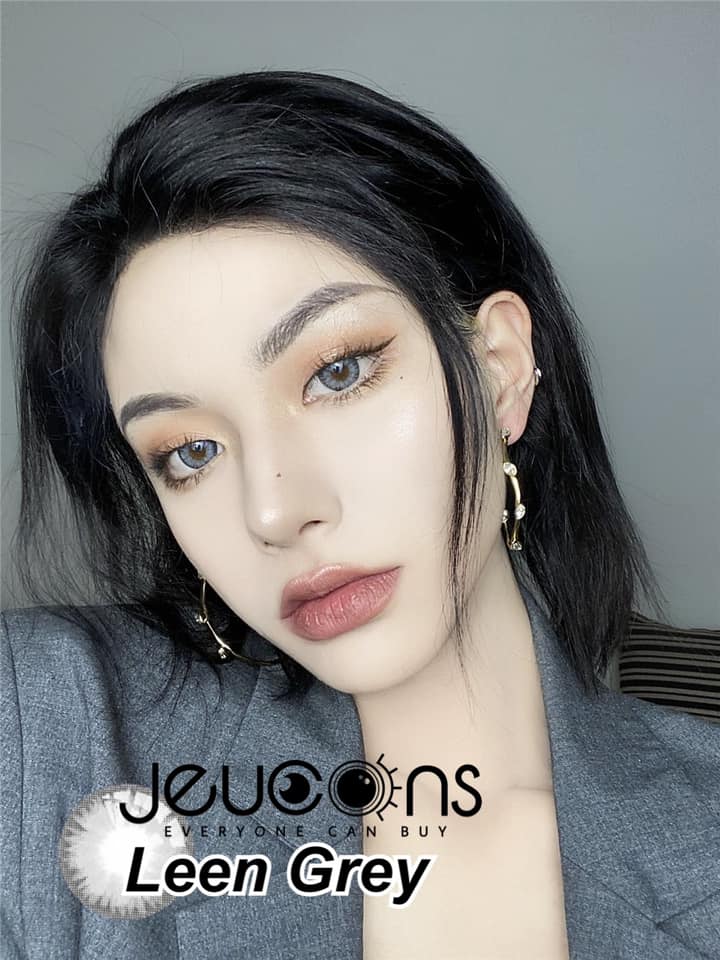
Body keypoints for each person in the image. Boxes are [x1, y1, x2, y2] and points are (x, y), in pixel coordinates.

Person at [1, 70, 717, 960]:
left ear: (498, 369)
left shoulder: (701, 830)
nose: (274, 510)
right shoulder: (46, 722)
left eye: (337, 373)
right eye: (189, 452)